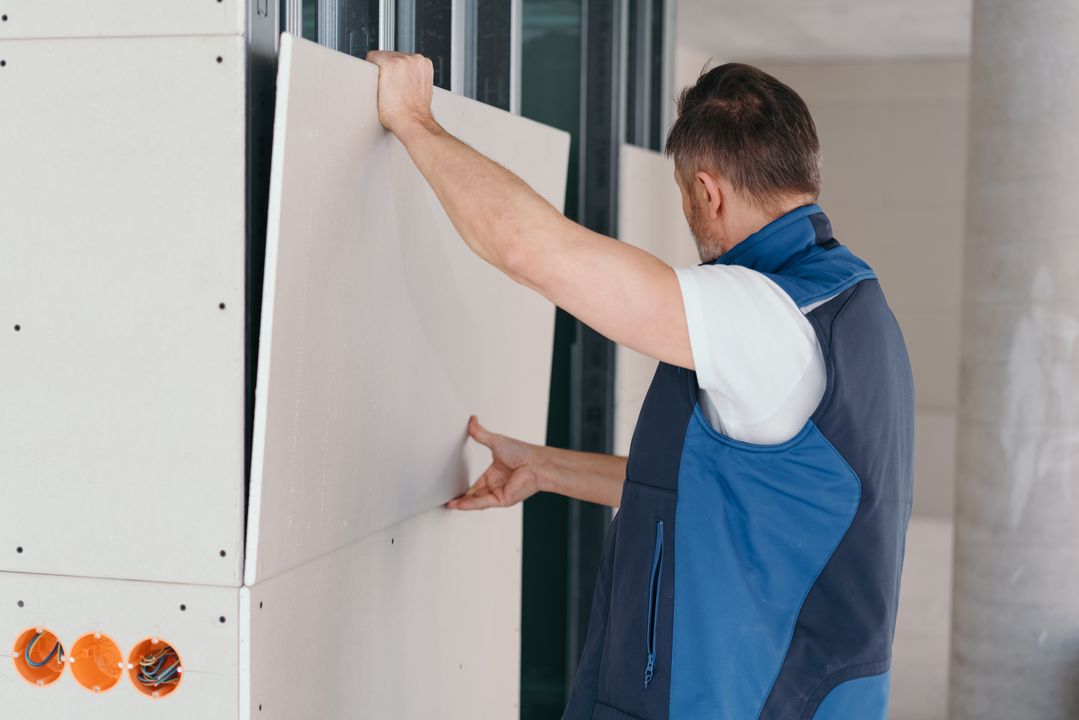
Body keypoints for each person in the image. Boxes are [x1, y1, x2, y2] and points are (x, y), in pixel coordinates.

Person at [366, 52, 913, 720]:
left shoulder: (768, 316)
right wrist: (543, 468)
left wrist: (415, 120)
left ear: (706, 193)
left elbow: (529, 250)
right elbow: (725, 495)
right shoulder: (848, 305)